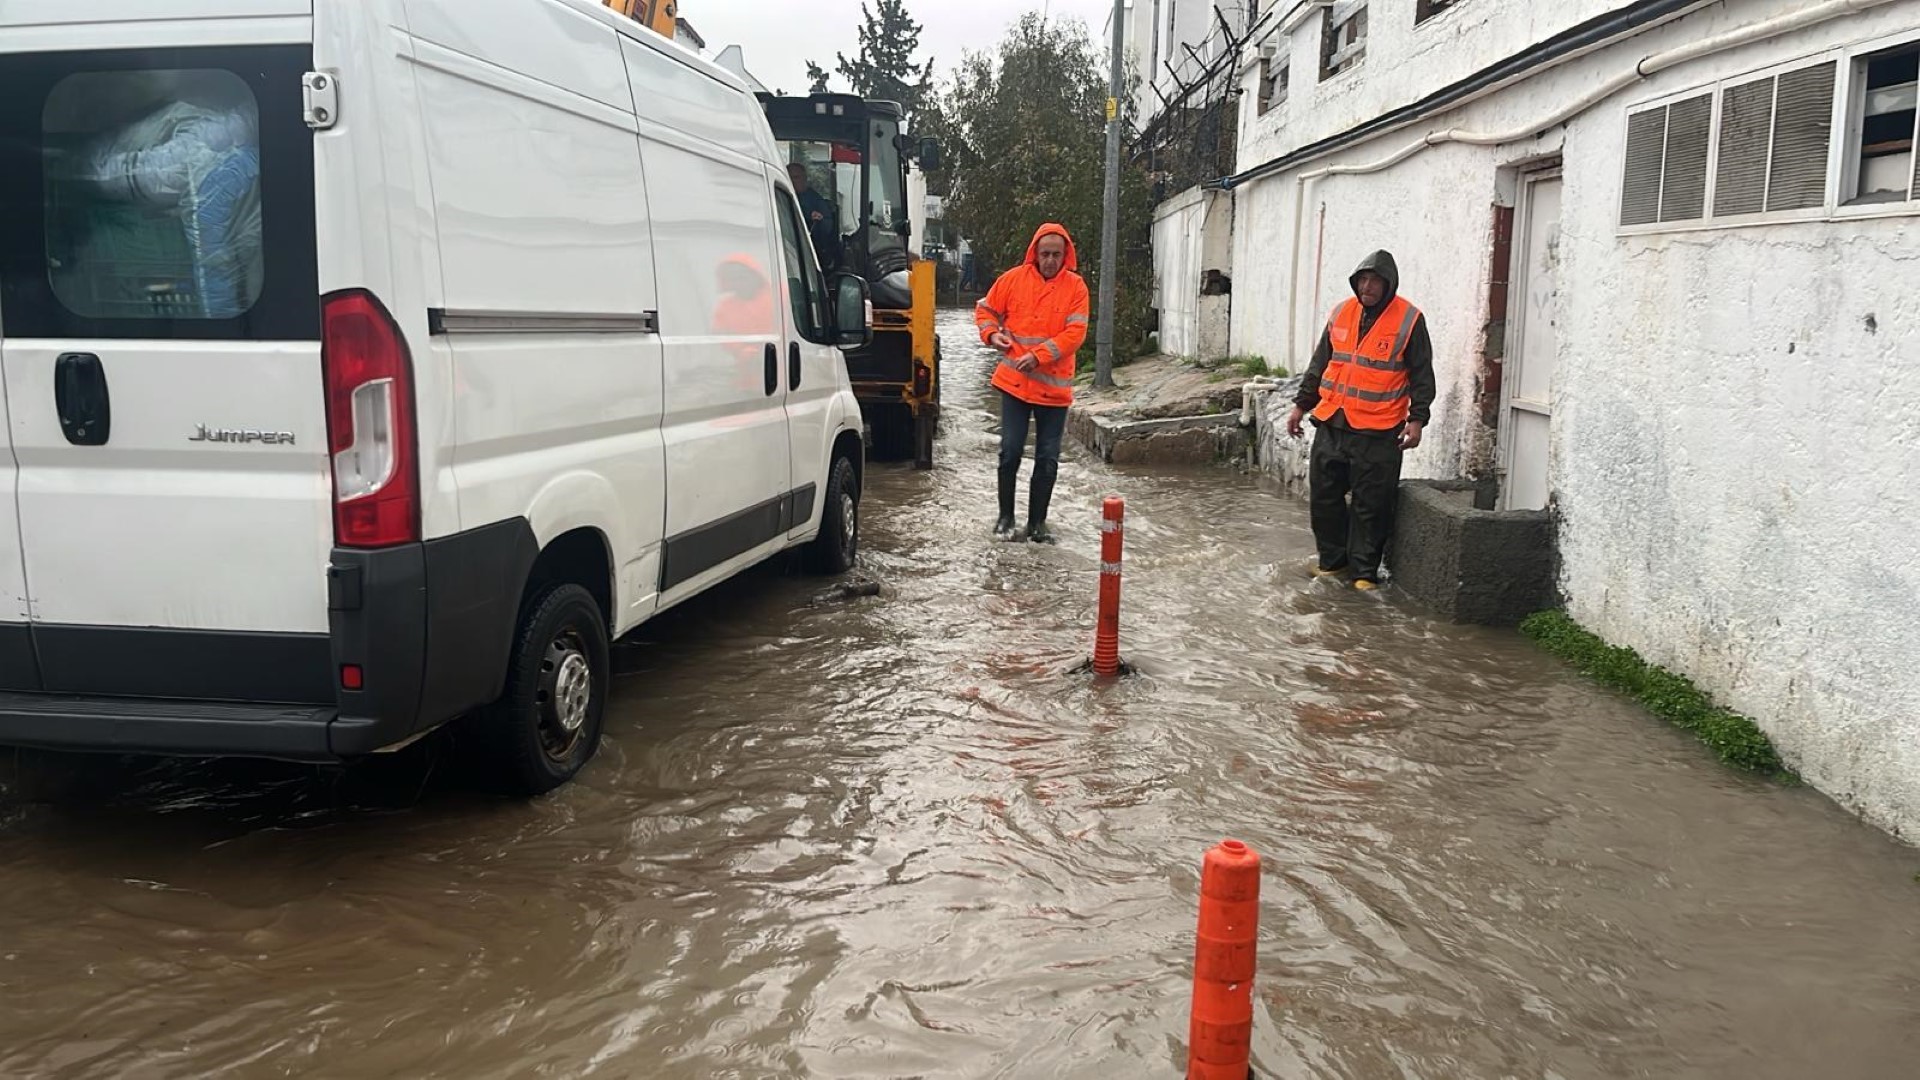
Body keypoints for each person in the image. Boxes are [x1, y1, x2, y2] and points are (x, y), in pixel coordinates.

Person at [1285, 250, 1435, 591]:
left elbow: (1422, 374)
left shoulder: (1409, 320)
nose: (1367, 287)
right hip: (1332, 423)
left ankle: (1364, 574)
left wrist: (1417, 420)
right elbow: (1320, 363)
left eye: (1375, 281)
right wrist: (1300, 406)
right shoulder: (1341, 312)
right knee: (1324, 499)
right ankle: (1333, 563)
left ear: (1388, 285)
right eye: (1362, 280)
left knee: (1372, 505)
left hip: (1379, 431)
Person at [975, 223, 1090, 544]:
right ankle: (1005, 518)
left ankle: (1037, 524)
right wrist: (991, 334)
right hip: (1014, 384)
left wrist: (1039, 356)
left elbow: (1074, 334)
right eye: (1045, 254)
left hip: (1053, 390)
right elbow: (985, 310)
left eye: (1056, 254)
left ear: (1065, 255)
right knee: (1009, 451)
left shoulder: (1076, 288)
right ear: (1035, 255)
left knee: (1048, 457)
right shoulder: (1012, 280)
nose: (1050, 260)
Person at [786, 162, 841, 270]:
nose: (792, 181)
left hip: (809, 251)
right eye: (789, 177)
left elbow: (827, 228)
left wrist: (817, 219)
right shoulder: (781, 196)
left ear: (805, 179)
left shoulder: (816, 201)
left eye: (796, 177)